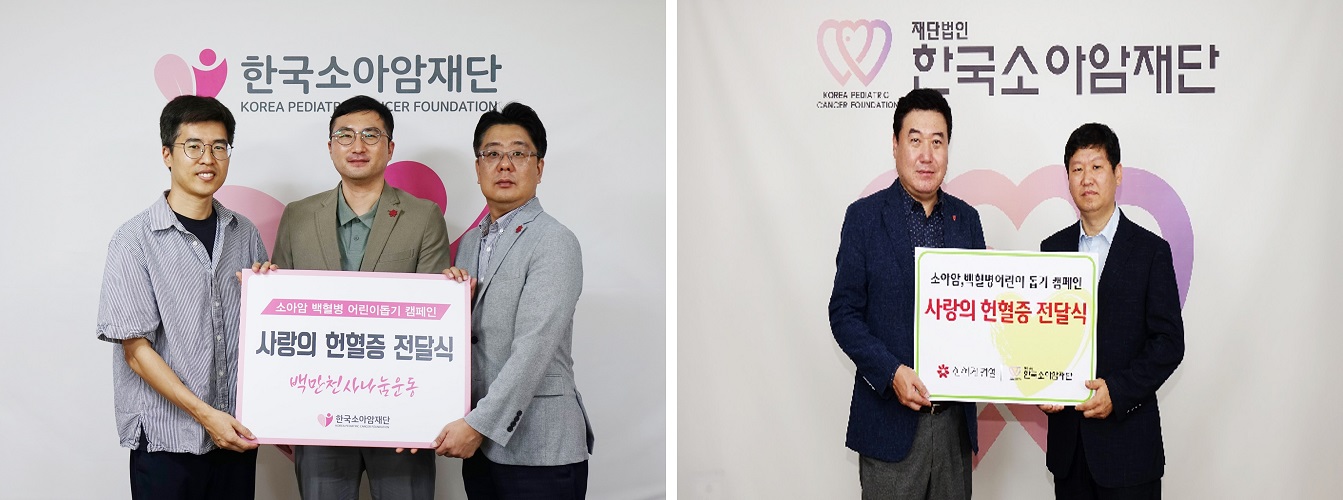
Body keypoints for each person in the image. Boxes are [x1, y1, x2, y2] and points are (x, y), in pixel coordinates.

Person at [271, 95, 451, 499]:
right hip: (317, 409)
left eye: (371, 135)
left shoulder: (423, 216)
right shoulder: (297, 215)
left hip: (401, 410)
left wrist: (424, 413)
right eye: (345, 135)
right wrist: (279, 408)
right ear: (330, 146)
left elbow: (434, 323)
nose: (357, 146)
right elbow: (282, 320)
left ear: (390, 147)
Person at [97, 95, 269, 499]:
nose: (208, 158)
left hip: (235, 434)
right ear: (167, 155)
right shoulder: (134, 240)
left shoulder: (244, 233)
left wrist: (272, 295)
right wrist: (207, 417)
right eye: (193, 146)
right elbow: (136, 352)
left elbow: (263, 336)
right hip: (167, 441)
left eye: (219, 147)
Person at [827, 88, 983, 500]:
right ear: (895, 145)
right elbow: (844, 313)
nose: (927, 155)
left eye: (938, 141)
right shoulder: (863, 218)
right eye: (915, 140)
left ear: (948, 148)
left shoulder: (967, 220)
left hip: (952, 430)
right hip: (888, 426)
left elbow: (983, 316)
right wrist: (891, 372)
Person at [434, 102, 594, 499]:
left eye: (518, 154)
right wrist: (448, 302)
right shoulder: (470, 244)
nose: (504, 164)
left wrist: (477, 425)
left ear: (539, 167)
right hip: (483, 449)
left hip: (540, 448)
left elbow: (534, 348)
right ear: (478, 168)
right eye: (492, 154)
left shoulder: (554, 241)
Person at [1038, 123, 1185, 499]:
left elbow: (1169, 343)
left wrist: (1117, 392)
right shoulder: (1051, 250)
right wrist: (1038, 382)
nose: (1086, 178)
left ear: (1118, 174)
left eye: (1097, 167)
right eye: (1077, 168)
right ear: (1068, 179)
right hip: (1069, 453)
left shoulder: (1151, 251)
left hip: (1129, 452)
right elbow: (1040, 338)